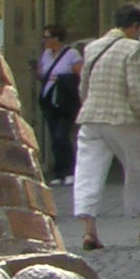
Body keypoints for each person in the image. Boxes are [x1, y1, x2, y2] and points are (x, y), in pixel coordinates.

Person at [71, 4, 140, 251]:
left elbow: (84, 86)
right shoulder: (132, 48)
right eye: (139, 29)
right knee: (136, 170)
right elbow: (136, 89)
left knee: (88, 172)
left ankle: (89, 230)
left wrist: (90, 105)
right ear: (133, 26)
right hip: (122, 119)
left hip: (91, 118)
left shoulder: (92, 47)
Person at [33, 24, 83, 182]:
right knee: (54, 138)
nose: (44, 41)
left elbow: (80, 76)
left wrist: (61, 79)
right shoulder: (46, 54)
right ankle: (59, 172)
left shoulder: (71, 54)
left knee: (61, 136)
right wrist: (36, 70)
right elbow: (43, 75)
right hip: (49, 99)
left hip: (65, 101)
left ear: (57, 38)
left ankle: (70, 171)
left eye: (47, 37)